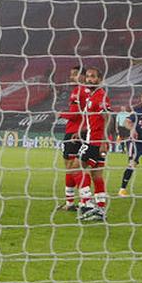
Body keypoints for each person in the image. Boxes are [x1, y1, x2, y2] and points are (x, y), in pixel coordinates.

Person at [76, 67, 112, 222]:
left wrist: (104, 141)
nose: (89, 79)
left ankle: (86, 202)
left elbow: (108, 118)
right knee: (97, 174)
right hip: (95, 139)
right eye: (88, 77)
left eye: (93, 77)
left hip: (96, 141)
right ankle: (100, 209)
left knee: (77, 166)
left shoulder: (101, 96)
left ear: (100, 79)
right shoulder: (92, 96)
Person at [57, 66, 90, 212]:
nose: (72, 77)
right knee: (75, 168)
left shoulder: (78, 91)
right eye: (71, 74)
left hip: (73, 132)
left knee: (72, 168)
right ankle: (73, 202)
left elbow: (75, 114)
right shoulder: (89, 92)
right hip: (84, 131)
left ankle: (83, 202)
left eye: (75, 74)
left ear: (83, 76)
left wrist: (61, 114)